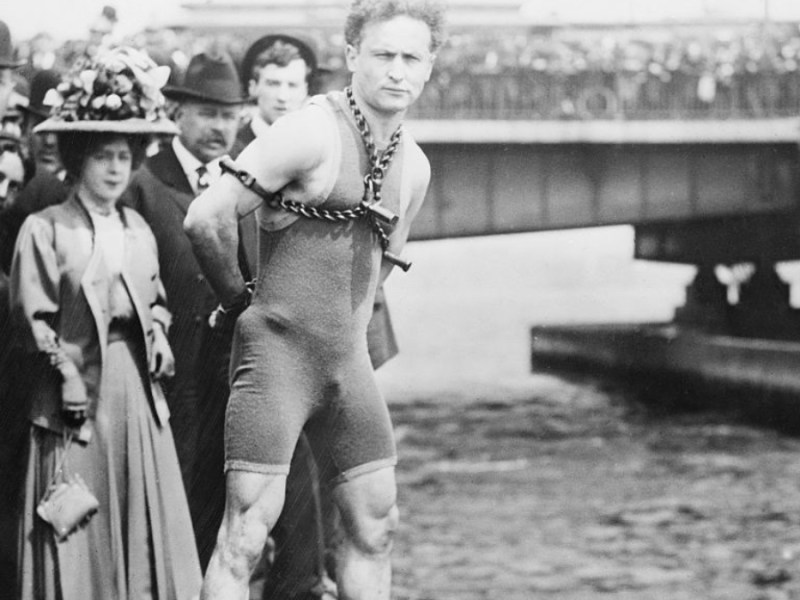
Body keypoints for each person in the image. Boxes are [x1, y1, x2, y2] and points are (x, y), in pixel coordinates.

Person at [184, 1, 446, 598]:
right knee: (245, 536)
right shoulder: (310, 130)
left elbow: (376, 275)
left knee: (377, 526)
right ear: (353, 55)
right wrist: (241, 302)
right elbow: (206, 218)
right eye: (383, 55)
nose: (397, 72)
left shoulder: (416, 168)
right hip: (276, 359)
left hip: (346, 364)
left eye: (411, 58)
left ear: (430, 66)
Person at [9, 47, 201, 599]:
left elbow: (155, 298)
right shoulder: (46, 229)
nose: (116, 168)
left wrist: (160, 333)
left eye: (124, 155)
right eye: (102, 157)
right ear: (77, 159)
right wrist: (64, 372)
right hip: (74, 395)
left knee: (141, 516)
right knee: (77, 519)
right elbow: (30, 318)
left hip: (136, 391)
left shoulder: (139, 227)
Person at [122, 51, 253, 570]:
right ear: (178, 114)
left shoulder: (248, 179)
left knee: (215, 498)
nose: (220, 126)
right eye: (208, 113)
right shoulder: (144, 181)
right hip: (164, 373)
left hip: (225, 374)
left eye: (229, 114)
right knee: (162, 487)